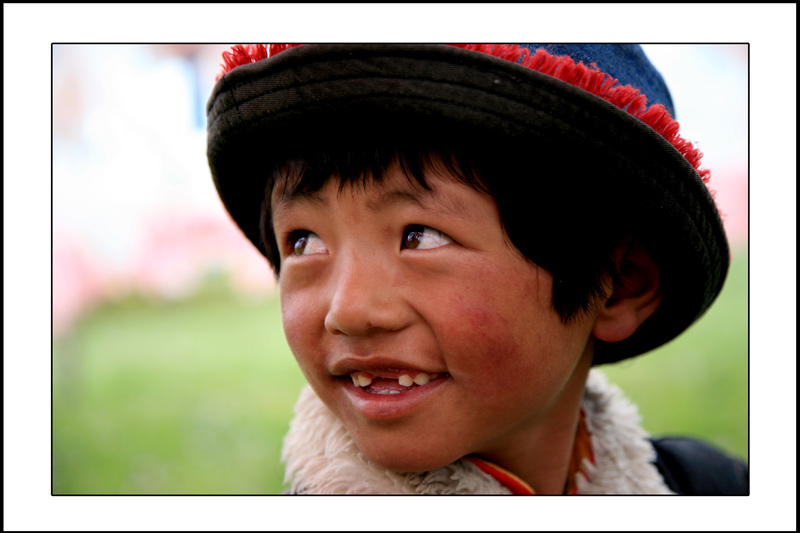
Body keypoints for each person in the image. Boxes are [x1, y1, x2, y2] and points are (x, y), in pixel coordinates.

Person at [205, 44, 748, 495]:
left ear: (619, 284)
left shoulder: (714, 490)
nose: (349, 311)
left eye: (419, 237)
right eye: (304, 242)